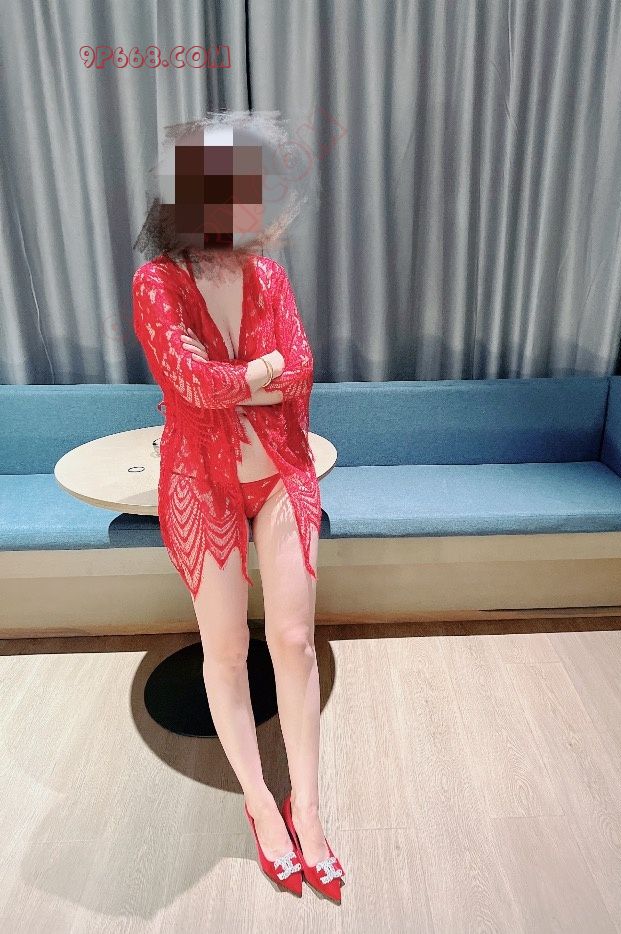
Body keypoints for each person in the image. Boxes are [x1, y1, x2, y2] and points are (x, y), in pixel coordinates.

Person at [132, 111, 344, 901]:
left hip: (281, 471)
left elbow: (304, 368)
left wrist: (245, 380)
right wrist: (262, 372)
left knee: (293, 640)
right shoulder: (157, 284)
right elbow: (193, 384)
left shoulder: (270, 278)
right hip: (201, 482)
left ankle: (307, 810)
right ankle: (260, 803)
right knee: (224, 650)